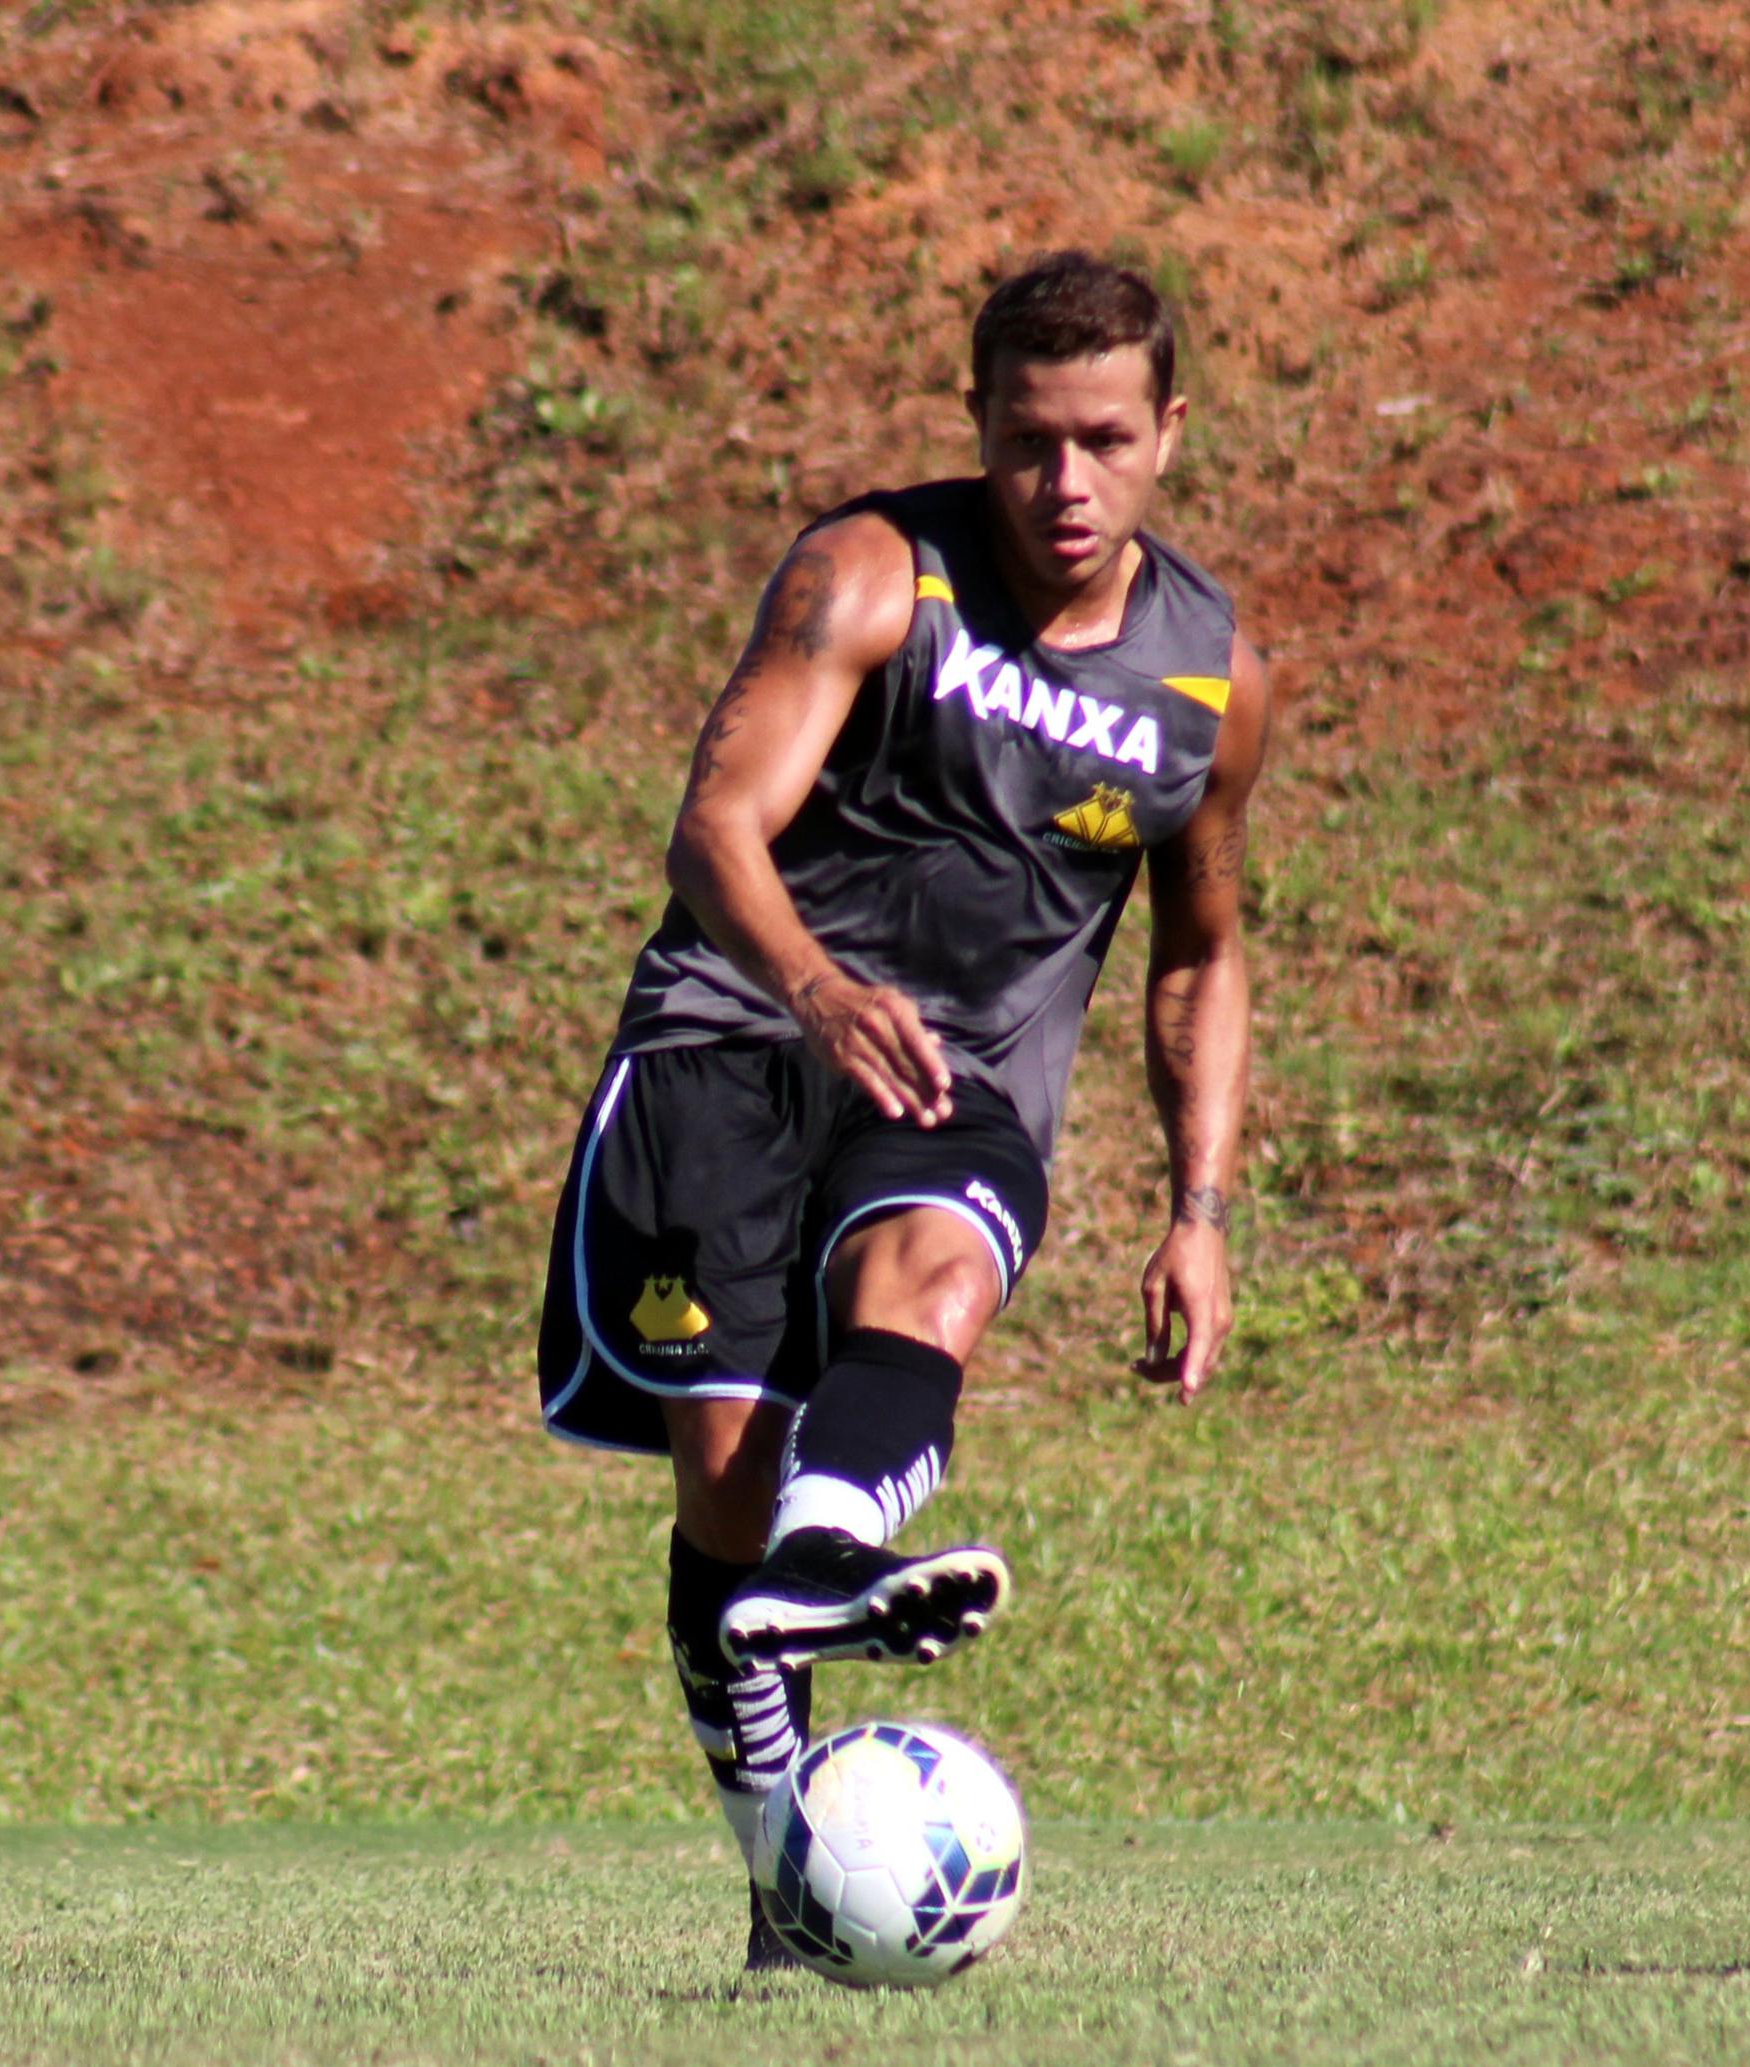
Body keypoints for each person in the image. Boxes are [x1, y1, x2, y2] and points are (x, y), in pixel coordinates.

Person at [534, 250, 1270, 1965]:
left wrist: (1199, 1209)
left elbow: (1202, 956)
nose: (1064, 484)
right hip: (736, 1033)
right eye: (1028, 441)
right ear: (978, 425)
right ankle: (785, 1880)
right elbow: (717, 826)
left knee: (932, 1285)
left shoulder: (1211, 683)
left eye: (1103, 439)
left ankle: (829, 1554)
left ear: (1170, 430)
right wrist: (817, 987)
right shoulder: (874, 573)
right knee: (721, 1472)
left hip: (958, 1084)